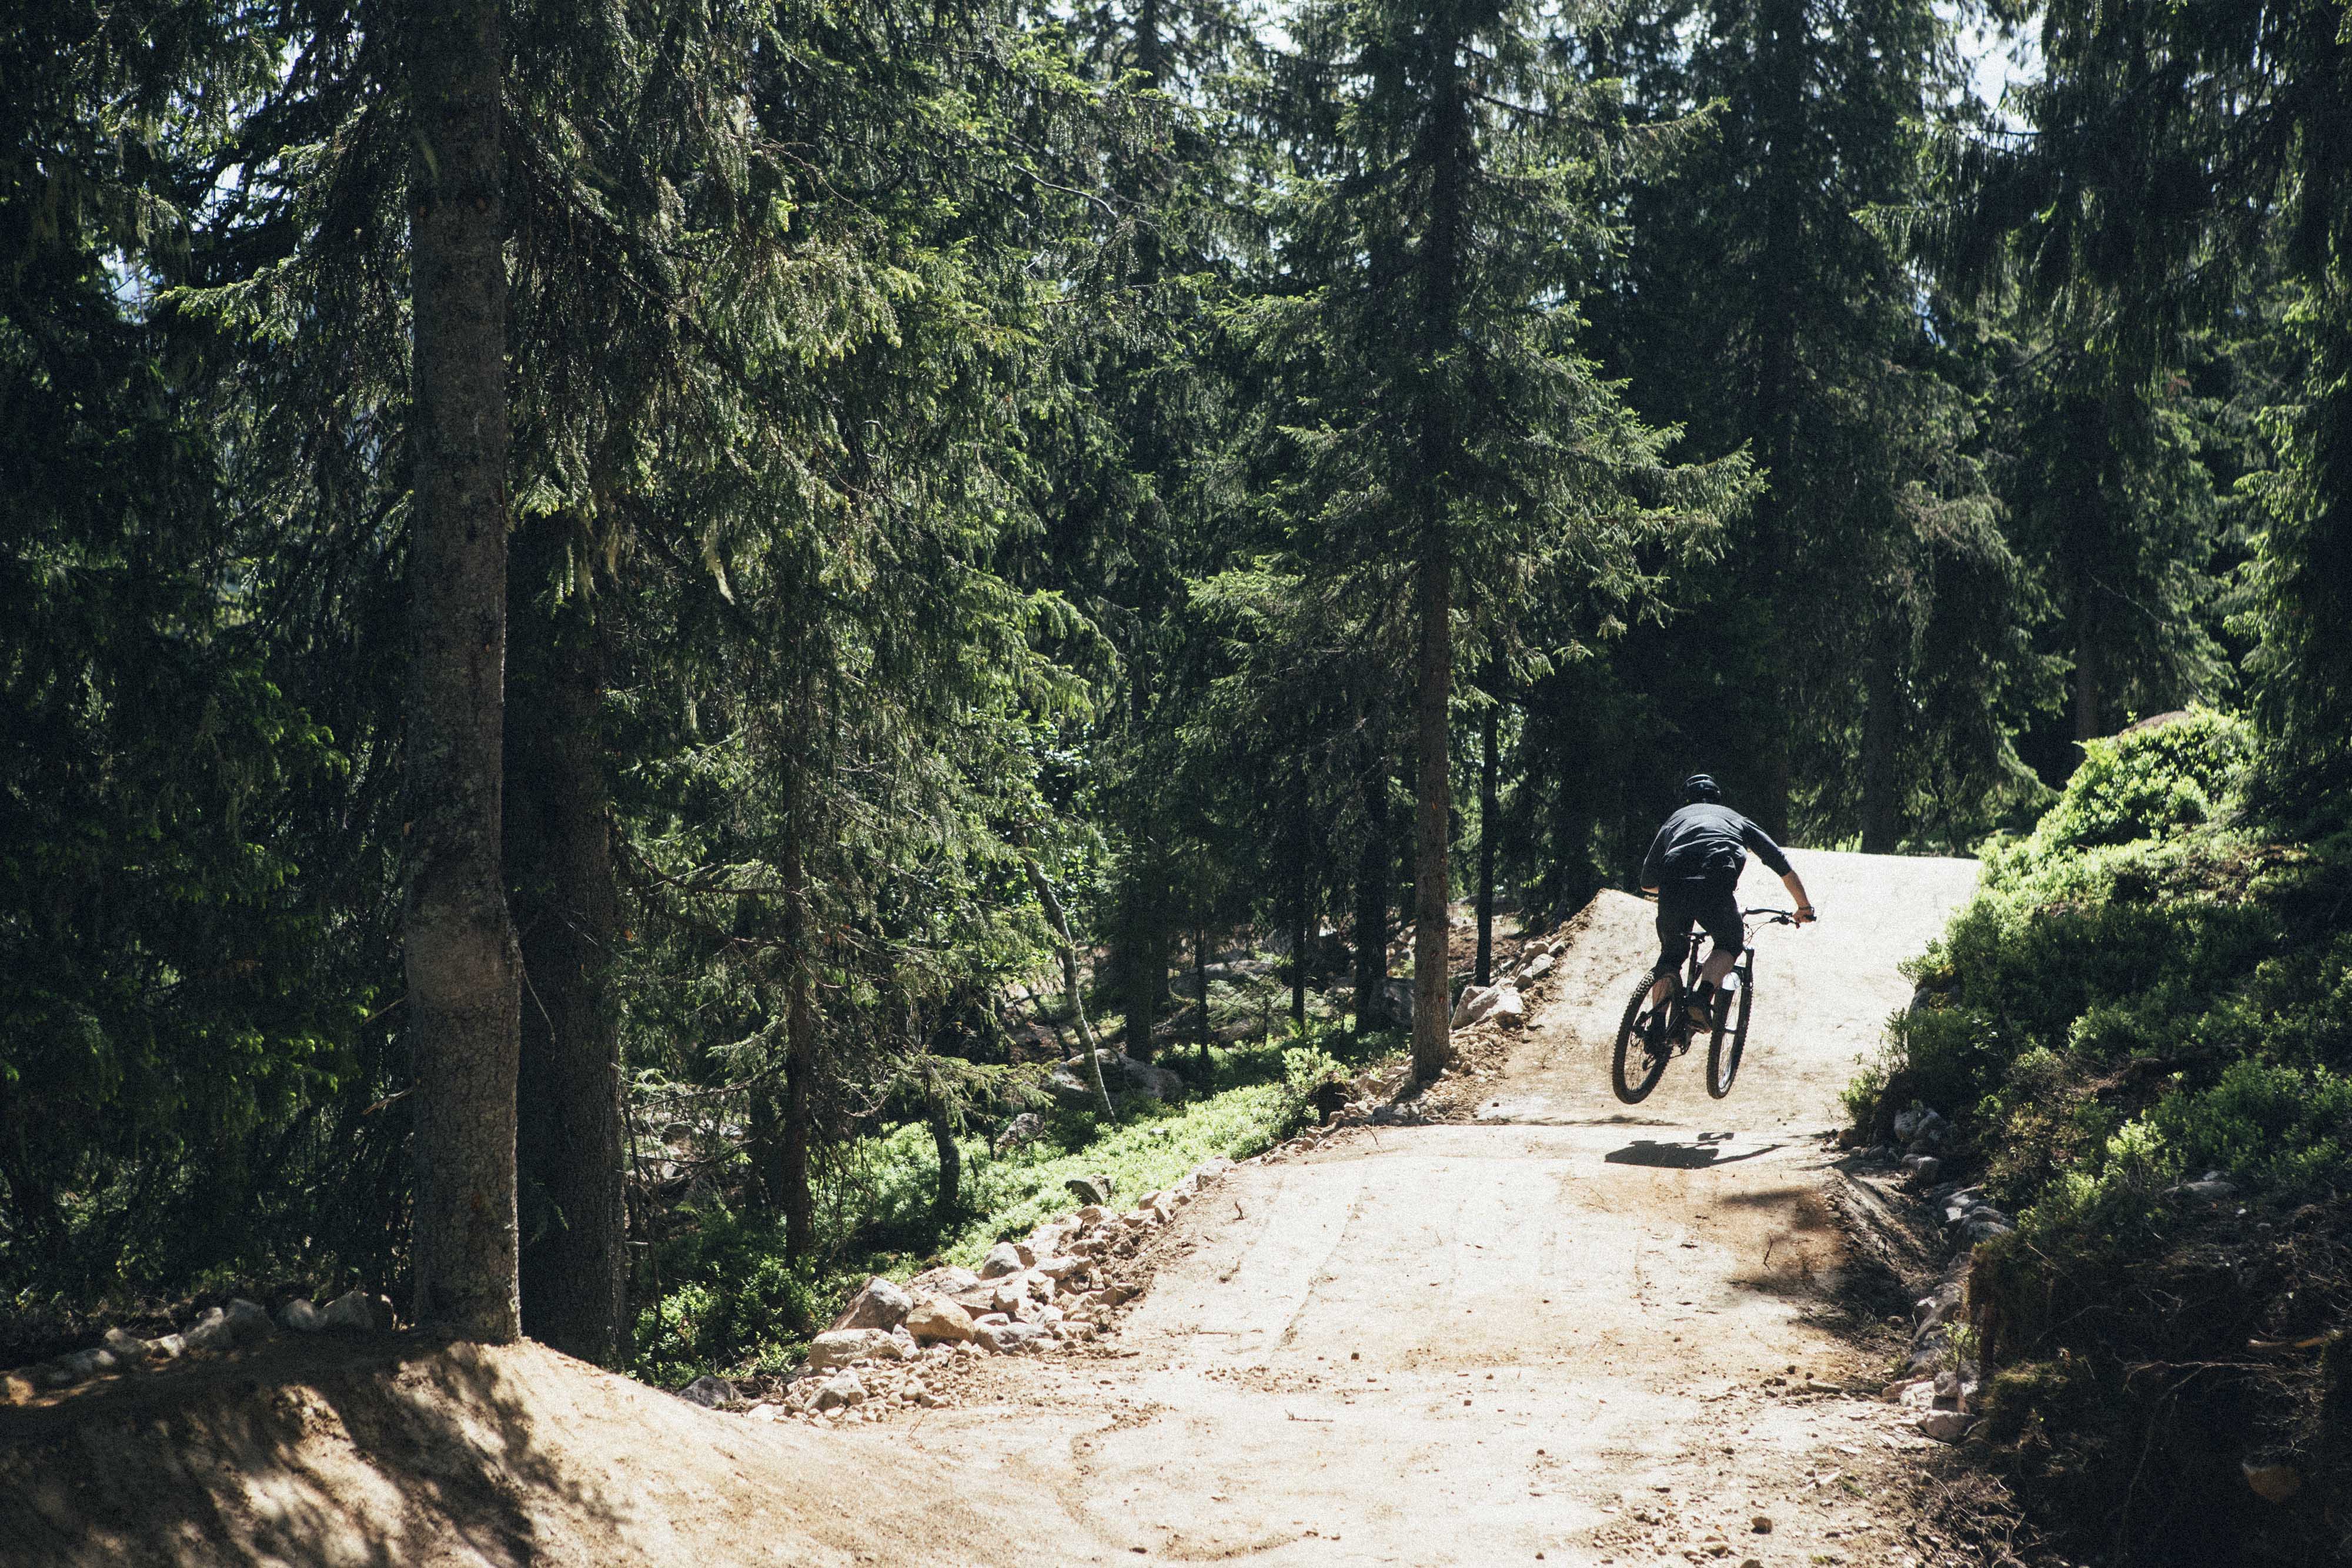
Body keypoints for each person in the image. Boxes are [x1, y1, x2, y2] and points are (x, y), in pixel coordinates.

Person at [1639, 774, 1816, 1034]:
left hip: (1673, 886)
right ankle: (1702, 998)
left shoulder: (1675, 820)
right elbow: (1779, 861)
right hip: (1715, 884)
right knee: (1730, 943)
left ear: (1687, 800)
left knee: (1672, 955)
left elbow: (1646, 882)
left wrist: (1674, 890)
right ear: (1718, 798)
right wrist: (1804, 907)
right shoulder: (1735, 819)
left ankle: (1656, 1026)